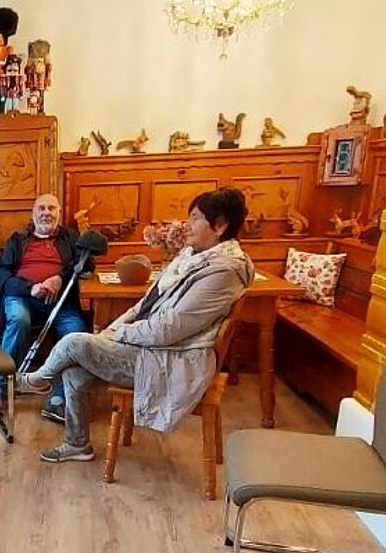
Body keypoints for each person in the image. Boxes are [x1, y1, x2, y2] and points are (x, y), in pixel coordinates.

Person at [15, 188, 254, 463]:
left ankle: (38, 379)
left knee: (73, 343)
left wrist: (119, 334)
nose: (187, 225)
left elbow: (169, 330)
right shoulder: (191, 257)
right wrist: (112, 331)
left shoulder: (223, 271)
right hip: (151, 348)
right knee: (74, 370)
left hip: (172, 360)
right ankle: (77, 444)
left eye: (195, 218)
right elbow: (143, 306)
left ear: (220, 226)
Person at [0, 193, 90, 422]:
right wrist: (31, 288)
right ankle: (0, 387)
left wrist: (59, 278)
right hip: (22, 296)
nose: (46, 213)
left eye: (51, 208)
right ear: (33, 214)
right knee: (18, 321)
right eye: (41, 208)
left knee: (77, 334)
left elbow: (86, 264)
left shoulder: (71, 238)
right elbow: (2, 275)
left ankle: (58, 398)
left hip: (60, 301)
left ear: (59, 213)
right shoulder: (17, 240)